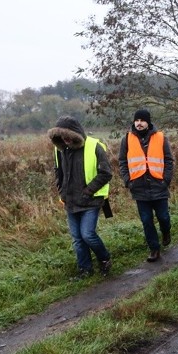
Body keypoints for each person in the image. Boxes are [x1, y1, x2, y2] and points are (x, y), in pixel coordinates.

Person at [49, 116, 113, 278]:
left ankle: (105, 259)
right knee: (77, 238)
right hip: (70, 201)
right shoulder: (60, 149)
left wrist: (87, 191)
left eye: (68, 135)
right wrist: (62, 191)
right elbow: (59, 172)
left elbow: (106, 173)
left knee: (87, 234)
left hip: (91, 200)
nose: (65, 140)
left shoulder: (95, 146)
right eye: (62, 137)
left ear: (76, 133)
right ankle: (85, 269)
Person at [118, 109, 174, 262]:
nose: (139, 123)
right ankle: (154, 249)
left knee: (163, 217)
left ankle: (166, 231)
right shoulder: (127, 139)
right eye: (137, 120)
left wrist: (166, 180)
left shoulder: (161, 137)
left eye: (142, 120)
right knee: (146, 220)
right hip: (139, 188)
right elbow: (122, 162)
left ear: (148, 122)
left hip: (159, 186)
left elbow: (169, 160)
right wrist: (128, 181)